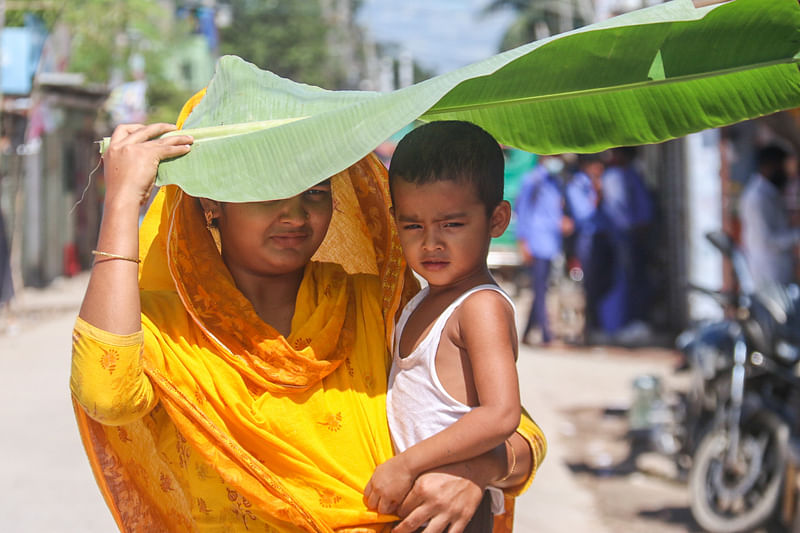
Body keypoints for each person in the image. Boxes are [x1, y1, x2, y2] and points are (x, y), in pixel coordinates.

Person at [70, 87, 545, 532]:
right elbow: (105, 394)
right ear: (213, 201)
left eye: (315, 192)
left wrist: (475, 472)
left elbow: (515, 429)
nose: (295, 216)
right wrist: (121, 201)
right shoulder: (166, 329)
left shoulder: (370, 302)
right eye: (269, 190)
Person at [363, 122, 521, 532]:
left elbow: (502, 414)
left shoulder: (479, 307)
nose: (431, 243)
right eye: (413, 226)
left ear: (496, 219)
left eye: (451, 224)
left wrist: (406, 463)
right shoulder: (422, 298)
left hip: (454, 510)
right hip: (419, 505)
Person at [514, 154, 573, 345]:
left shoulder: (557, 181)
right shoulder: (532, 180)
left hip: (550, 242)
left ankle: (526, 332)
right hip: (536, 241)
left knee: (542, 287)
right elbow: (522, 211)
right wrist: (523, 241)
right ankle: (546, 333)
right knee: (540, 288)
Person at [596, 146, 653, 339]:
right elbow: (617, 210)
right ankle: (616, 325)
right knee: (622, 279)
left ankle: (624, 323)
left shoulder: (627, 175)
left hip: (628, 235)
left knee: (630, 279)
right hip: (622, 236)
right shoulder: (614, 176)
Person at [739, 144, 800, 290]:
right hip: (769, 273)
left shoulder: (771, 193)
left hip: (780, 270)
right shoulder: (757, 197)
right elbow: (767, 240)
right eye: (783, 167)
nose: (787, 173)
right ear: (769, 166)